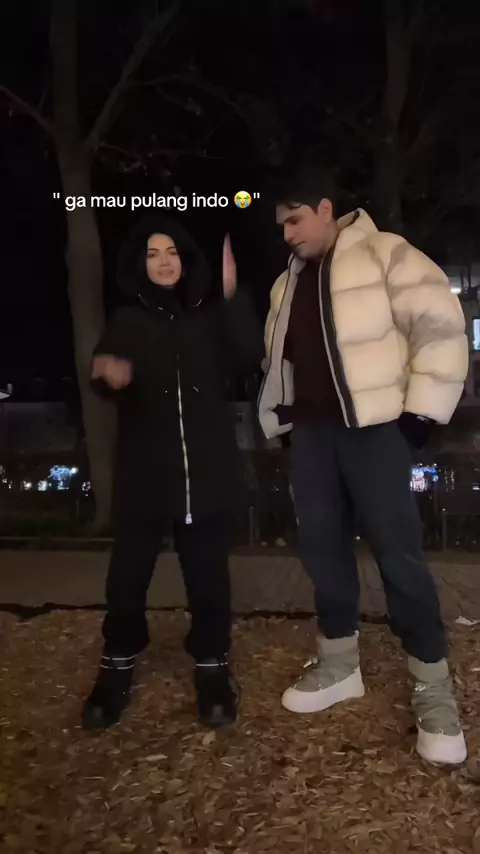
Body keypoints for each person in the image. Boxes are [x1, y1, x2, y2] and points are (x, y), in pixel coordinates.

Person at [258, 164, 469, 765]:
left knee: (399, 555)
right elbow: (279, 364)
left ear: (325, 209)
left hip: (376, 434)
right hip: (313, 438)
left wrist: (420, 417)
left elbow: (440, 327)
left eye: (295, 220)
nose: (288, 235)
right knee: (321, 550)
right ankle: (338, 663)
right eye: (281, 226)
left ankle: (432, 686)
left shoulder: (386, 253)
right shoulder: (284, 284)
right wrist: (284, 425)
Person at [82, 214, 263, 731]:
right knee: (126, 578)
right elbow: (102, 374)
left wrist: (233, 297)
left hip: (205, 475)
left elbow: (250, 356)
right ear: (141, 265)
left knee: (209, 579)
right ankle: (117, 664)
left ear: (186, 260)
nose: (163, 262)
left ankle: (212, 667)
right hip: (143, 474)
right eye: (152, 254)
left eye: (172, 252)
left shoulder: (210, 317)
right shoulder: (127, 319)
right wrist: (108, 376)